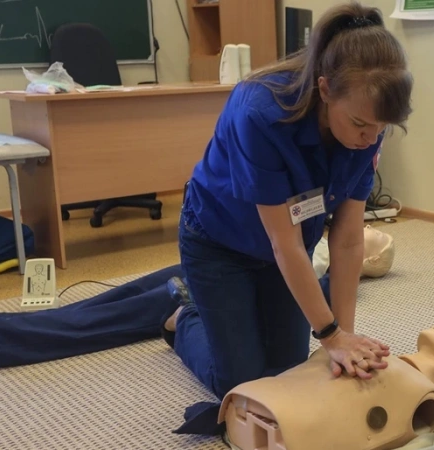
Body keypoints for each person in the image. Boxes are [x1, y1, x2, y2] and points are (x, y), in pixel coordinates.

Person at [170, 0, 413, 400]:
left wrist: (342, 336)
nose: (370, 139)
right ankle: (183, 316)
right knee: (243, 383)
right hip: (219, 242)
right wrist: (330, 334)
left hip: (289, 248)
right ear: (324, 90)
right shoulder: (260, 113)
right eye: (360, 125)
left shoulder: (367, 123)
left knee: (289, 371)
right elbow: (284, 243)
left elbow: (349, 238)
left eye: (381, 128)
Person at [0, 226, 396, 370]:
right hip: (226, 264)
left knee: (127, 312)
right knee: (124, 292)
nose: (370, 235)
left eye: (374, 242)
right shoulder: (324, 240)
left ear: (371, 261)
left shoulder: (328, 285)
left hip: (223, 295)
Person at [219, 321, 434, 450]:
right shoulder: (377, 354)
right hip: (263, 398)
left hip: (287, 424)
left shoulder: (428, 397)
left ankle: (184, 316)